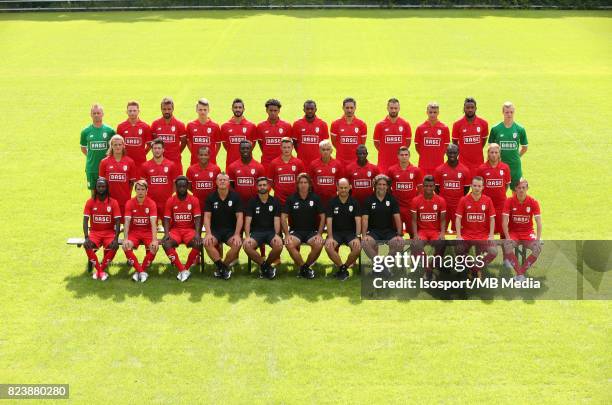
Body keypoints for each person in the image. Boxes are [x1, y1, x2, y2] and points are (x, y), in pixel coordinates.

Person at [281, 173, 325, 279]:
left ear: (309, 184)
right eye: (301, 182)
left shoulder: (315, 198)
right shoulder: (291, 199)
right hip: (296, 232)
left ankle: (305, 267)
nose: (303, 185)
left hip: (311, 232)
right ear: (297, 185)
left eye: (305, 182)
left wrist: (319, 234)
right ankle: (303, 267)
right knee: (289, 244)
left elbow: (323, 217)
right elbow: (283, 217)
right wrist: (286, 235)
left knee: (319, 244)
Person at [455, 176, 498, 279]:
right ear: (471, 186)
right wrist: (459, 236)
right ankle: (474, 268)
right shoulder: (464, 200)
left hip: (482, 236)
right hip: (467, 235)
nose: (476, 188)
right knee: (458, 249)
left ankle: (475, 269)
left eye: (479, 186)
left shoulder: (487, 200)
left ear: (483, 187)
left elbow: (492, 219)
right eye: (474, 185)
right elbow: (458, 218)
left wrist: (491, 235)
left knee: (493, 251)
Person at [203, 173, 244, 280]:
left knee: (237, 244)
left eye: (224, 180)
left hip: (230, 231)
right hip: (215, 231)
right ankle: (223, 268)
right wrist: (208, 234)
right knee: (207, 243)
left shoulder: (235, 196)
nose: (222, 182)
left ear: (228, 183)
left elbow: (240, 217)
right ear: (216, 182)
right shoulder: (211, 197)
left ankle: (222, 267)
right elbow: (207, 217)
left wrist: (237, 234)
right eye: (220, 180)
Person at [162, 176, 202, 282]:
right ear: (176, 187)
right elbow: (166, 219)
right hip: (176, 231)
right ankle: (182, 269)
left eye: (184, 186)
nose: (182, 189)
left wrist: (197, 234)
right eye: (179, 186)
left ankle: (186, 268)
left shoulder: (194, 200)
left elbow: (198, 218)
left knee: (198, 243)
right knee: (166, 243)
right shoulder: (170, 200)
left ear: (187, 186)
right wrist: (166, 233)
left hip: (189, 231)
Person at [242, 177, 283, 279]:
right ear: (257, 187)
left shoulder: (275, 201)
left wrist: (277, 235)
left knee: (278, 245)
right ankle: (265, 267)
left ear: (268, 186)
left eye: (264, 185)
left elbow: (277, 220)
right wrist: (247, 237)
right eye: (260, 185)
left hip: (271, 232)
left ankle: (265, 266)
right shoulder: (252, 202)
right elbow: (247, 221)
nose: (262, 187)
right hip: (256, 233)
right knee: (247, 246)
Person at [502, 178, 542, 281]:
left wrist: (537, 239)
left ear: (527, 188)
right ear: (515, 189)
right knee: (507, 246)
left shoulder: (533, 202)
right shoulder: (509, 201)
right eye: (519, 188)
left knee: (537, 249)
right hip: (514, 233)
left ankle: (520, 273)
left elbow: (538, 222)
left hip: (528, 233)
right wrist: (507, 237)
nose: (521, 190)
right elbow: (504, 221)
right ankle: (520, 274)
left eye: (523, 188)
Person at [361, 175, 404, 269]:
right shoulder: (368, 200)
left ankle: (383, 264)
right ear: (375, 185)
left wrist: (399, 234)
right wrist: (364, 235)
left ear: (387, 186)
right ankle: (379, 265)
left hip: (389, 231)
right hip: (373, 232)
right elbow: (365, 219)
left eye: (384, 184)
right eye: (379, 184)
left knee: (400, 243)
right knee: (364, 242)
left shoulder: (392, 199)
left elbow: (397, 217)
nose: (382, 186)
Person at [82, 177, 121, 281]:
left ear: (107, 188)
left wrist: (116, 238)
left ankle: (100, 270)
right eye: (99, 186)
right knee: (87, 245)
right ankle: (101, 271)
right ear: (96, 188)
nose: (101, 188)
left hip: (109, 233)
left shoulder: (113, 202)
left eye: (103, 186)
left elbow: (117, 222)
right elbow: (85, 220)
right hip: (95, 233)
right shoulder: (90, 202)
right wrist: (86, 237)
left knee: (114, 246)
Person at [410, 175, 447, 280]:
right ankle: (428, 270)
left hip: (435, 231)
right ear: (423, 186)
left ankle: (431, 267)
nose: (428, 188)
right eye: (426, 186)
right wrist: (416, 235)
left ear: (434, 186)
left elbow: (443, 220)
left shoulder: (441, 200)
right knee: (416, 244)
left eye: (431, 186)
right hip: (422, 231)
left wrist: (442, 233)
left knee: (442, 243)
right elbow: (413, 220)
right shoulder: (416, 200)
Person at [324, 178, 362, 281]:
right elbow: (329, 221)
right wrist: (330, 237)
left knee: (358, 248)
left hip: (351, 234)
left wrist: (357, 236)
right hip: (336, 233)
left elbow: (358, 220)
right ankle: (342, 267)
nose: (343, 190)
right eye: (341, 188)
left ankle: (344, 268)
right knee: (328, 246)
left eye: (346, 188)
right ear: (337, 188)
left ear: (350, 187)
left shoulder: (354, 202)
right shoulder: (332, 202)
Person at [123, 180, 159, 282]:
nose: (140, 192)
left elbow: (153, 223)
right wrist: (125, 239)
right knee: (126, 246)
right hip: (134, 233)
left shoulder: (151, 203)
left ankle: (139, 271)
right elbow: (127, 222)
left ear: (146, 190)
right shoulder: (130, 203)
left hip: (147, 233)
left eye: (143, 189)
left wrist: (154, 239)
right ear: (135, 190)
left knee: (154, 247)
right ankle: (142, 272)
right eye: (138, 189)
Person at [488, 101, 528, 189]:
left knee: (517, 193)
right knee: (500, 192)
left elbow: (525, 147)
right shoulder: (495, 129)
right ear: (503, 112)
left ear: (514, 112)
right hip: (500, 166)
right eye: (507, 112)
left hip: (515, 167)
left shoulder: (520, 129)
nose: (509, 114)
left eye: (511, 112)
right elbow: (490, 147)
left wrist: (517, 156)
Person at [140, 139, 181, 221]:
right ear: (152, 150)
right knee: (151, 227)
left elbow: (175, 184)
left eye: (159, 148)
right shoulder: (145, 166)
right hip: (151, 203)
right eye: (155, 148)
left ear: (163, 149)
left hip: (166, 203)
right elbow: (142, 185)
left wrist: (169, 195)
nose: (157, 150)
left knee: (168, 227)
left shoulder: (171, 165)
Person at [386, 146, 423, 237]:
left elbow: (420, 189)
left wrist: (415, 202)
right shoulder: (391, 170)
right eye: (402, 155)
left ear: (409, 156)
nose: (404, 157)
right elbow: (388, 188)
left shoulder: (416, 170)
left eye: (406, 155)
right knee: (397, 233)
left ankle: (414, 251)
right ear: (398, 156)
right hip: (397, 207)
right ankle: (398, 251)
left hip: (410, 207)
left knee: (413, 233)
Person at [433, 144, 471, 233]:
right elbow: (436, 188)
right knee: (440, 231)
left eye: (454, 153)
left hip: (458, 206)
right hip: (443, 206)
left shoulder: (465, 170)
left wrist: (457, 198)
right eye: (450, 153)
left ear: (458, 153)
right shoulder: (439, 170)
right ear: (446, 153)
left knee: (458, 231)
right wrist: (443, 199)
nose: (452, 155)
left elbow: (466, 189)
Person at [98, 135, 137, 217]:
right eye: (115, 145)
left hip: (124, 199)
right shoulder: (104, 162)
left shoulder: (130, 162)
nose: (117, 147)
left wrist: (126, 193)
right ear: (111, 146)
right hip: (109, 199)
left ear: (123, 145)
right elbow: (101, 183)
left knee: (123, 222)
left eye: (120, 144)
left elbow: (131, 183)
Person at [80, 103, 116, 192]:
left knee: (108, 192)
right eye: (94, 113)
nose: (96, 115)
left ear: (102, 114)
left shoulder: (110, 131)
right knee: (94, 193)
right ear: (91, 115)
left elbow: (114, 147)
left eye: (98, 113)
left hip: (107, 167)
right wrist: (91, 156)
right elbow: (83, 148)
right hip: (92, 167)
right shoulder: (85, 131)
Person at [477, 143, 511, 235]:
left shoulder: (505, 168)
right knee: (486, 230)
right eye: (492, 152)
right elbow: (478, 187)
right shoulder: (481, 168)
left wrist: (500, 193)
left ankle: (506, 249)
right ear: (488, 153)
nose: (494, 155)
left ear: (499, 153)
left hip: (501, 204)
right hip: (486, 204)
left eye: (496, 152)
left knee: (503, 229)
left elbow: (506, 185)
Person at [452, 97, 489, 179]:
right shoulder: (457, 124)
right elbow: (454, 142)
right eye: (467, 107)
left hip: (478, 163)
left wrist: (476, 149)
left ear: (476, 108)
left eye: (472, 107)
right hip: (463, 164)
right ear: (464, 108)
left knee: (477, 188)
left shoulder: (483, 123)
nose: (470, 110)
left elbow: (483, 141)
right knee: (463, 188)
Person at [373, 98, 412, 172]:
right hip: (384, 164)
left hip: (400, 164)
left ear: (399, 108)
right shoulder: (380, 125)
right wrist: (385, 151)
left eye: (395, 108)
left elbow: (407, 143)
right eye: (391, 108)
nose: (393, 110)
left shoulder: (405, 124)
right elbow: (376, 143)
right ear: (387, 108)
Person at [151, 97, 187, 173]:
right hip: (159, 162)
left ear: (173, 109)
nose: (166, 111)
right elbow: (154, 141)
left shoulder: (180, 125)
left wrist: (176, 152)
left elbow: (184, 142)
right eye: (164, 109)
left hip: (175, 162)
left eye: (169, 109)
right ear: (161, 109)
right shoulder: (155, 124)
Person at [414, 102, 450, 176]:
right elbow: (417, 147)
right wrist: (425, 155)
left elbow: (446, 147)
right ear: (427, 112)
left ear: (438, 113)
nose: (432, 114)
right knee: (423, 186)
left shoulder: (444, 128)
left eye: (435, 112)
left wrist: (438, 155)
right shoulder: (420, 128)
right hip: (423, 165)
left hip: (439, 165)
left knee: (437, 186)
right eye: (430, 112)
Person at [267, 137, 305, 206]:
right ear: (281, 147)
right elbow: (270, 182)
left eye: (288, 147)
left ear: (292, 147)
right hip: (279, 200)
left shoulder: (299, 163)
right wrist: (278, 190)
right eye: (284, 147)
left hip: (295, 199)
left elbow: (303, 181)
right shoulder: (274, 163)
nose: (286, 150)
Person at [220, 98, 256, 170]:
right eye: (235, 107)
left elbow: (253, 144)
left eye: (240, 107)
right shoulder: (225, 126)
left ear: (243, 109)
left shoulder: (251, 126)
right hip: (231, 163)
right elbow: (225, 145)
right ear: (232, 109)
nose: (238, 109)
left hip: (246, 163)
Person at [330, 97, 367, 167]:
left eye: (351, 107)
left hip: (356, 162)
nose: (349, 110)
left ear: (355, 108)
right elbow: (334, 143)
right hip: (340, 162)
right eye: (347, 108)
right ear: (343, 108)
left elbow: (362, 143)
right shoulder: (335, 124)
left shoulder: (362, 124)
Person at [227, 140, 266, 206]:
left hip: (255, 204)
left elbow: (262, 187)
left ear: (251, 149)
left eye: (247, 148)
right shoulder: (232, 167)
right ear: (239, 150)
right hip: (238, 204)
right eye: (243, 148)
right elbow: (231, 187)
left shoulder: (259, 167)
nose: (245, 150)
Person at [255, 99, 292, 166]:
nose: (273, 113)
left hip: (282, 163)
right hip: (266, 163)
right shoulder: (260, 126)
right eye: (271, 110)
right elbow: (261, 144)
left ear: (279, 111)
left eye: (275, 111)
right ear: (266, 110)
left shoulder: (287, 126)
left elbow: (289, 145)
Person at [116, 100, 152, 169]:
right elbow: (118, 145)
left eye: (134, 111)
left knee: (140, 180)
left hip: (140, 163)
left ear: (138, 111)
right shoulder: (121, 127)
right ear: (126, 112)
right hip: (125, 163)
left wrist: (143, 153)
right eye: (130, 111)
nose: (132, 113)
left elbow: (149, 145)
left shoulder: (145, 127)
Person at [186, 98, 222, 167]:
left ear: (208, 110)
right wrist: (194, 153)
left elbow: (218, 145)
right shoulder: (190, 125)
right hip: (195, 163)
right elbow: (188, 142)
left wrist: (212, 155)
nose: (202, 112)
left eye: (205, 110)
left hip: (211, 163)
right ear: (196, 110)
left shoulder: (215, 126)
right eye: (200, 110)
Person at [292, 100, 329, 165]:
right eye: (307, 109)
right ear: (304, 110)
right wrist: (301, 152)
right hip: (302, 161)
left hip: (318, 162)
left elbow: (325, 144)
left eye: (312, 109)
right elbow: (294, 142)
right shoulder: (297, 124)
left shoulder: (323, 124)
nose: (310, 111)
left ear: (316, 109)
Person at [309, 139, 344, 209]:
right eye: (323, 149)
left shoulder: (337, 164)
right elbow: (310, 182)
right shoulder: (313, 164)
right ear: (319, 150)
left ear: (331, 151)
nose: (325, 152)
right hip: (317, 200)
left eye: (328, 149)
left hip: (333, 200)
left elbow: (341, 183)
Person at [186, 146, 221, 213]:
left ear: (209, 156)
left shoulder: (216, 169)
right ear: (197, 156)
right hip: (197, 204)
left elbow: (218, 187)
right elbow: (189, 187)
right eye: (201, 155)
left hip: (212, 203)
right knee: (198, 223)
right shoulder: (191, 169)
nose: (203, 157)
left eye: (205, 155)